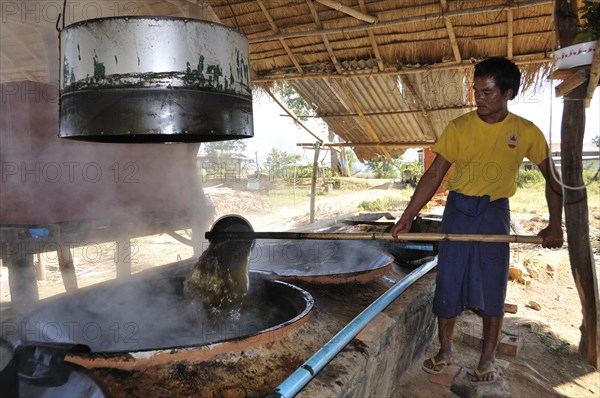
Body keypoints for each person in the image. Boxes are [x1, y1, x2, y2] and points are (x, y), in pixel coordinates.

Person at [391, 57, 563, 383]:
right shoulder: (460, 127)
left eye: (487, 92)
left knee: (493, 284)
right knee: (449, 281)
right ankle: (445, 352)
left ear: (508, 93)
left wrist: (555, 225)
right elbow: (435, 173)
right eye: (476, 91)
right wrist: (407, 217)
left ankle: (487, 360)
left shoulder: (526, 132)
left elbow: (553, 180)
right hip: (457, 212)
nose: (478, 99)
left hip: (495, 213)